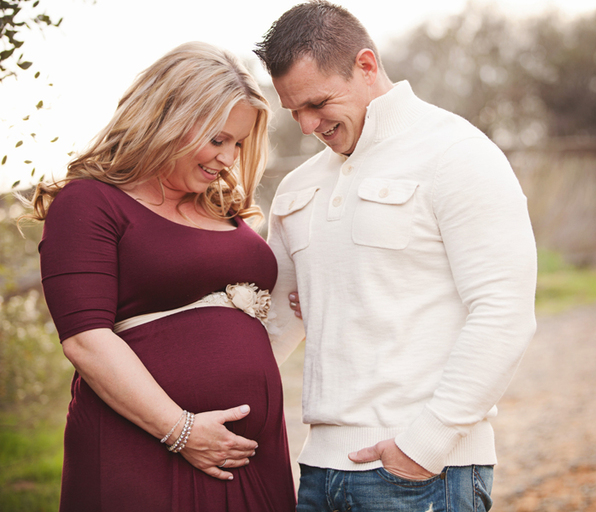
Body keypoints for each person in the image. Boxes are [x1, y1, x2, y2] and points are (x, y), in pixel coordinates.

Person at [254, 2, 538, 511]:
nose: (306, 125)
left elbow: (504, 312)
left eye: (317, 103)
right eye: (293, 110)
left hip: (422, 474)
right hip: (317, 473)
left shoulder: (457, 154)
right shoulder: (298, 187)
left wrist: (424, 446)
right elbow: (272, 324)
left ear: (366, 66)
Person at [24, 42, 296, 511]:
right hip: (145, 448)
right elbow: (86, 338)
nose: (228, 158)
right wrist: (182, 431)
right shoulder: (90, 203)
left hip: (250, 458)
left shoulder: (218, 207)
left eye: (238, 143)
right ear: (166, 117)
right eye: (217, 139)